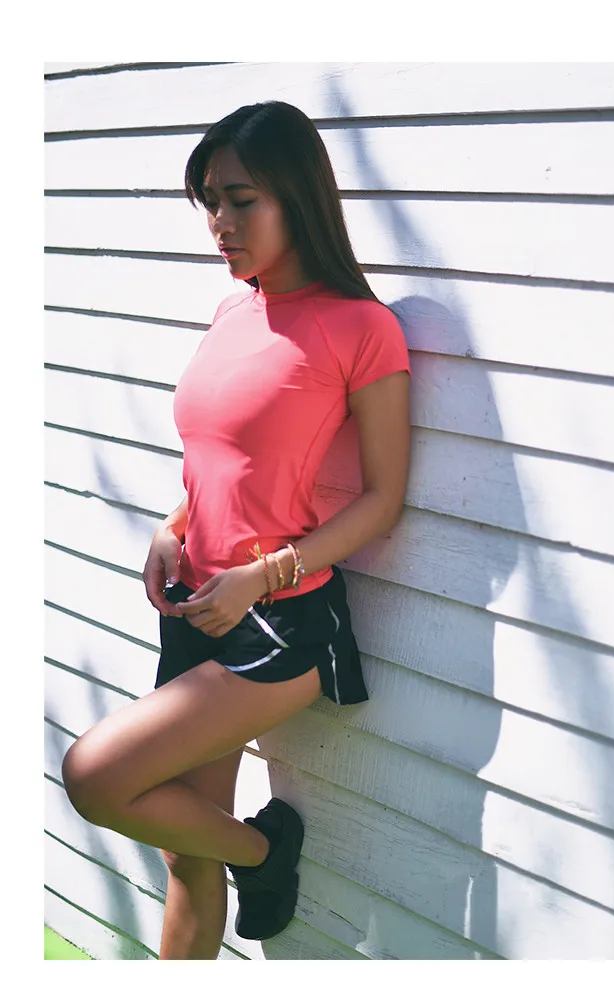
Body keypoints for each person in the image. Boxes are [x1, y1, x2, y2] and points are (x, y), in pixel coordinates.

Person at [60, 101, 412, 960]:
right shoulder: (232, 313)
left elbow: (382, 500)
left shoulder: (362, 328)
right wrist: (172, 525)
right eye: (210, 201)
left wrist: (264, 574)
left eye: (241, 200)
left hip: (277, 624)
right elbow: (219, 454)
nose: (220, 222)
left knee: (95, 776)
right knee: (185, 851)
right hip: (195, 605)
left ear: (298, 196)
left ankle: (263, 852)